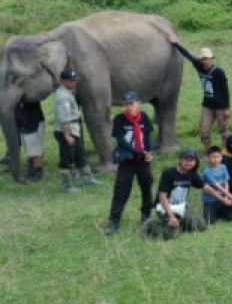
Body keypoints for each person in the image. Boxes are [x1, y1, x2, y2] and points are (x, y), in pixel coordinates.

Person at [166, 33, 231, 150]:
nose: (205, 61)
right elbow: (188, 55)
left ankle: (225, 151)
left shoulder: (218, 72)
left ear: (212, 59)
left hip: (220, 106)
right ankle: (208, 152)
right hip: (207, 105)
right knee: (204, 131)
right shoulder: (199, 66)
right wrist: (175, 43)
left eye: (207, 59)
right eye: (203, 59)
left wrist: (227, 108)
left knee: (224, 131)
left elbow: (225, 90)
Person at [106, 91, 156, 237]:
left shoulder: (144, 117)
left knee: (147, 187)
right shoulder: (120, 119)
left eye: (132, 103)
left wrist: (149, 152)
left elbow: (147, 136)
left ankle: (146, 216)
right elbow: (121, 141)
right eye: (126, 104)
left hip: (142, 160)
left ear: (138, 103)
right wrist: (138, 152)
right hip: (127, 160)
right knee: (121, 190)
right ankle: (114, 220)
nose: (129, 107)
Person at [146, 149, 207, 239]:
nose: (188, 163)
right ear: (180, 160)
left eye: (191, 161)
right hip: (165, 208)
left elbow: (204, 186)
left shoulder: (192, 174)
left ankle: (179, 222)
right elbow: (162, 196)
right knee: (172, 236)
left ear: (195, 162)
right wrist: (171, 216)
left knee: (201, 225)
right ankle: (151, 224)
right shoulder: (169, 174)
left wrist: (225, 197)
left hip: (181, 207)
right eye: (186, 160)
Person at [52, 69, 98, 191]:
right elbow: (64, 117)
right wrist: (67, 135)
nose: (74, 82)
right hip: (66, 129)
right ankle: (66, 184)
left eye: (74, 80)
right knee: (66, 158)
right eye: (71, 80)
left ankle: (87, 177)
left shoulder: (68, 92)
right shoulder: (63, 96)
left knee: (80, 153)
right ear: (63, 81)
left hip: (74, 128)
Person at [202, 145, 232, 224]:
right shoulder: (207, 172)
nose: (216, 159)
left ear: (221, 157)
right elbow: (218, 187)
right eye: (213, 157)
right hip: (211, 200)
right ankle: (214, 211)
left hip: (223, 197)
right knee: (210, 221)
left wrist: (226, 197)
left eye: (218, 157)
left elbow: (226, 182)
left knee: (231, 216)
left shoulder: (223, 167)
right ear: (208, 158)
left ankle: (220, 210)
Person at [15, 97, 46, 183]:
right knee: (30, 150)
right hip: (26, 126)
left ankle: (38, 173)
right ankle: (32, 170)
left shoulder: (31, 97)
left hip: (33, 126)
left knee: (35, 151)